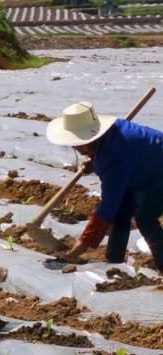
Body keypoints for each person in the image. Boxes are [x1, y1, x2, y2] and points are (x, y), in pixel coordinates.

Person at [47, 102, 163, 269]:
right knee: (121, 210)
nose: (77, 148)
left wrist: (82, 245)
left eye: (80, 143)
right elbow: (121, 154)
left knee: (145, 218)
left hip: (157, 175)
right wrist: (94, 161)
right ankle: (114, 261)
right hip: (142, 168)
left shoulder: (112, 160)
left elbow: (107, 206)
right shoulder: (112, 133)